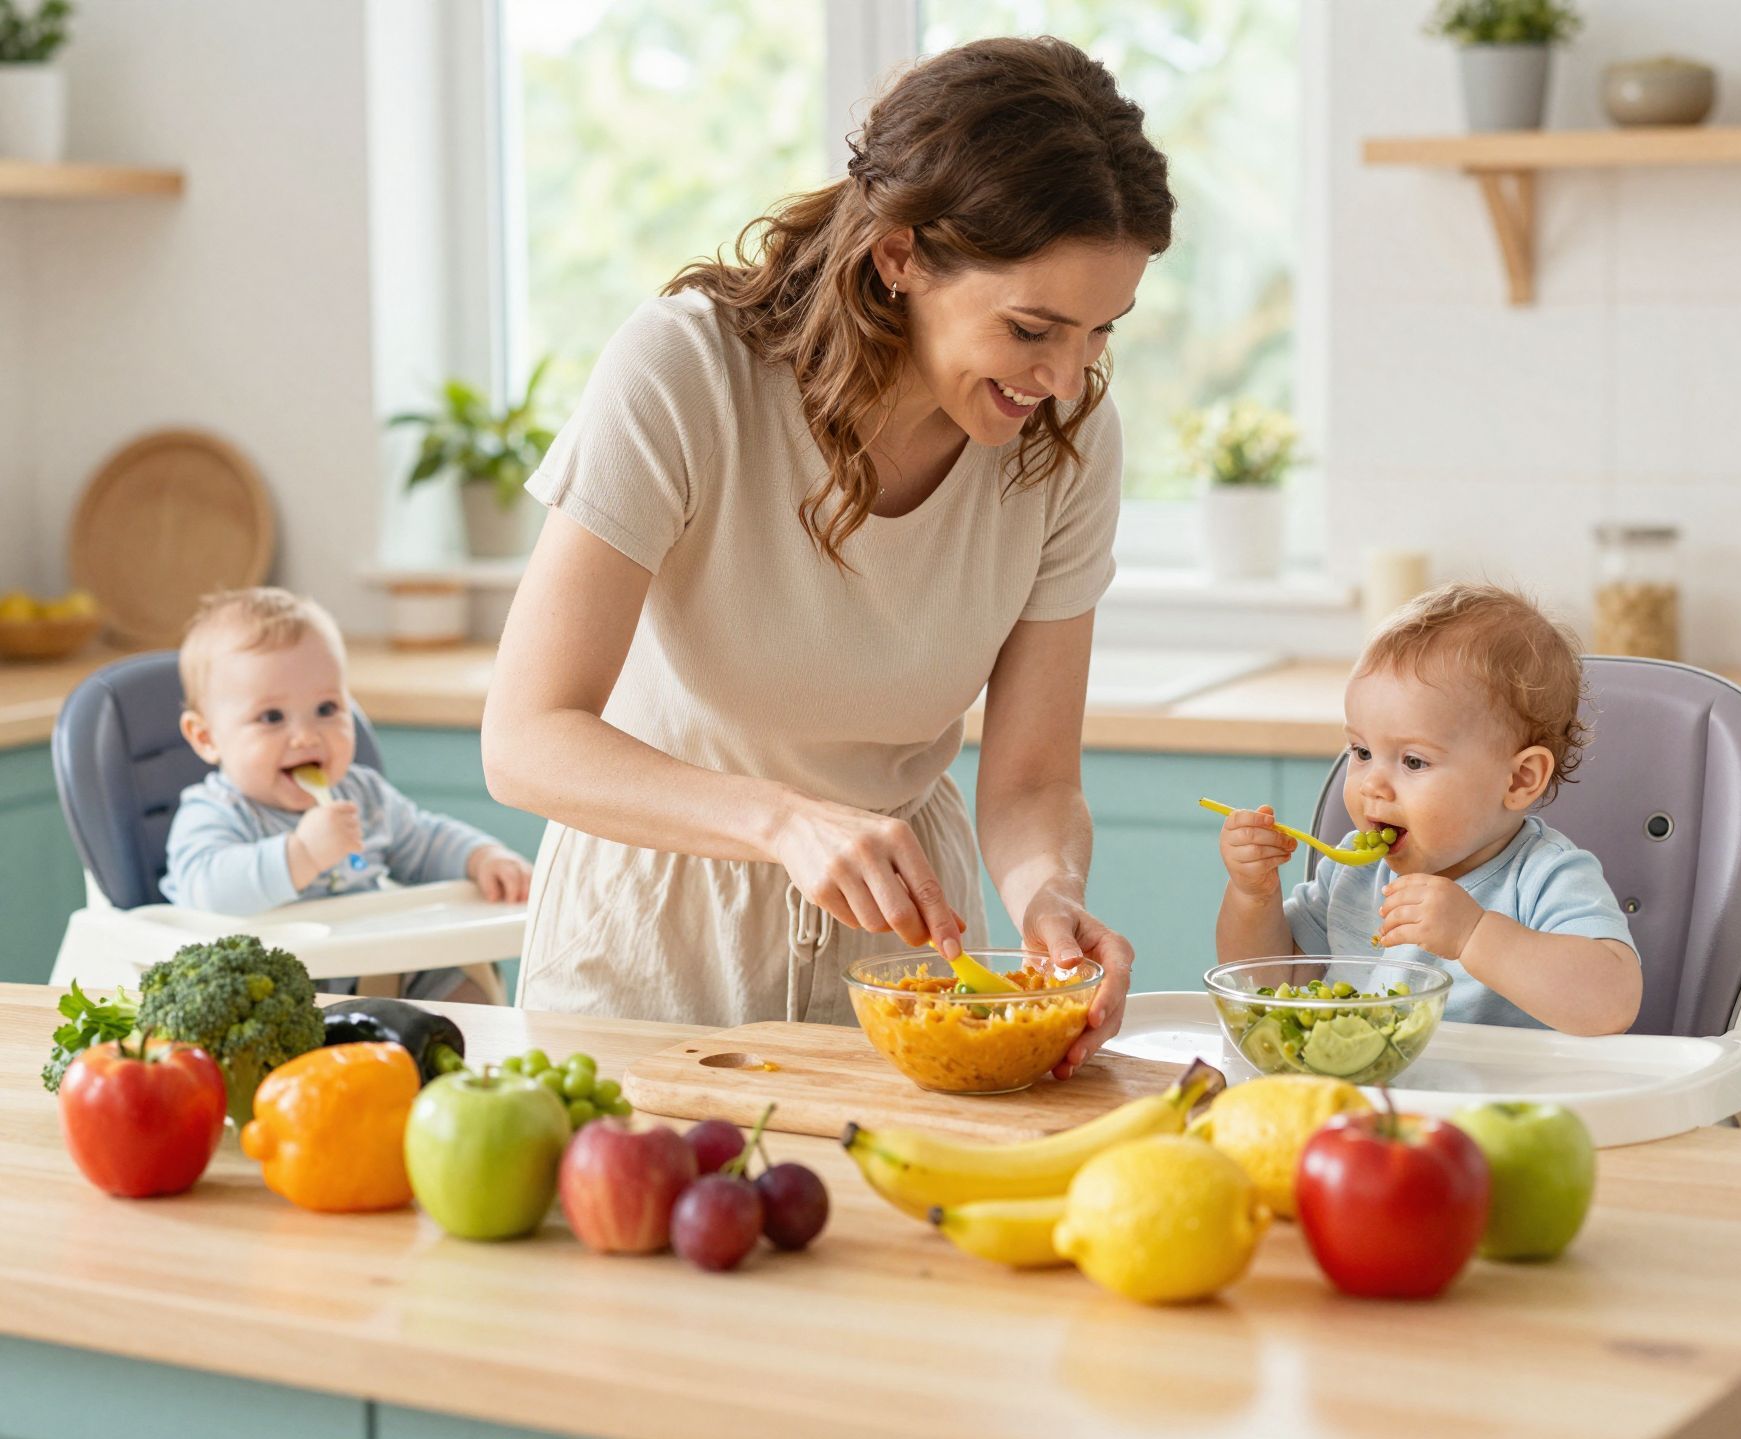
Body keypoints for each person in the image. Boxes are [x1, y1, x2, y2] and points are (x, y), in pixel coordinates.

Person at [482, 37, 1173, 1071]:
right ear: (899, 255)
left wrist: (1048, 901)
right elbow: (526, 738)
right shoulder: (688, 372)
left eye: (1099, 334)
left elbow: (1030, 781)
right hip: (649, 945)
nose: (1067, 380)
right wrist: (783, 823)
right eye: (1033, 328)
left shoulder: (1063, 444)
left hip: (900, 949)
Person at [1215, 584, 1643, 1036]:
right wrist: (1253, 897)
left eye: (1413, 761)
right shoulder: (1354, 876)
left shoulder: (1544, 878)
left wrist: (1473, 934)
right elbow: (1268, 982)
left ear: (1519, 779)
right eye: (1360, 752)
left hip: (1499, 1099)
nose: (1372, 784)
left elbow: (1611, 1004)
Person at [162, 587, 532, 1002]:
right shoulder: (215, 812)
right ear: (206, 737)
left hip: (379, 976)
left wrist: (480, 858)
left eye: (326, 709)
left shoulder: (361, 795)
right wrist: (302, 853)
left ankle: (471, 1062)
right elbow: (206, 891)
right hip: (276, 994)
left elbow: (424, 840)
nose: (306, 737)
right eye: (271, 717)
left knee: (464, 983)